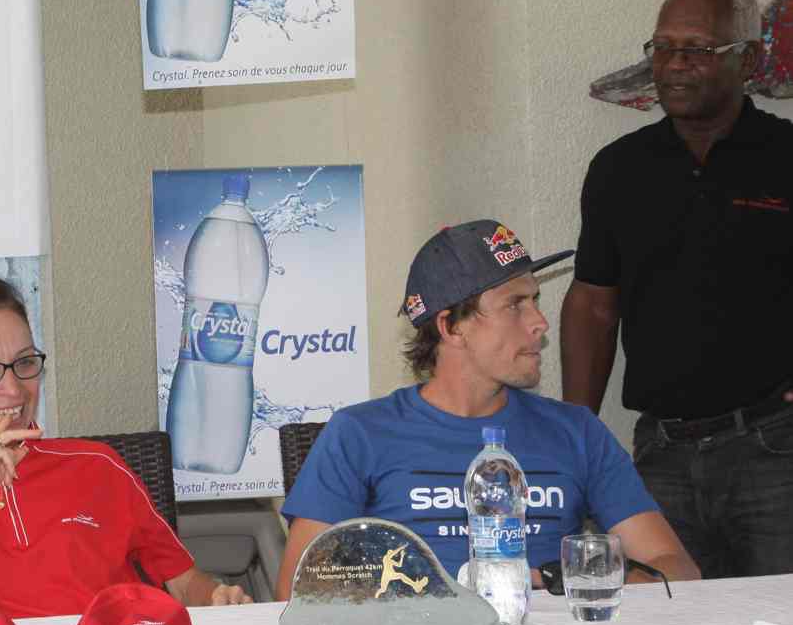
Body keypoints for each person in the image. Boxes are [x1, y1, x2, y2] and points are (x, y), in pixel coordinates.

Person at [277, 220, 698, 599]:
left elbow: (676, 569)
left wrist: (573, 581)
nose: (540, 322)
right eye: (515, 304)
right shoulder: (359, 433)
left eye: (534, 300)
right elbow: (297, 591)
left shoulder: (577, 430)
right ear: (451, 326)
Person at [561, 0, 793, 578]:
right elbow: (593, 305)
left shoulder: (785, 155)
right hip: (661, 457)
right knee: (671, 624)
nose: (673, 65)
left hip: (774, 449)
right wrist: (575, 434)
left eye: (697, 49)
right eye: (662, 47)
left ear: (747, 58)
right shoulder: (619, 169)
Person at [0, 275, 251, 625]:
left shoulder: (99, 466)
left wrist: (217, 597)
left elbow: (183, 583)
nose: (13, 389)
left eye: (24, 363)